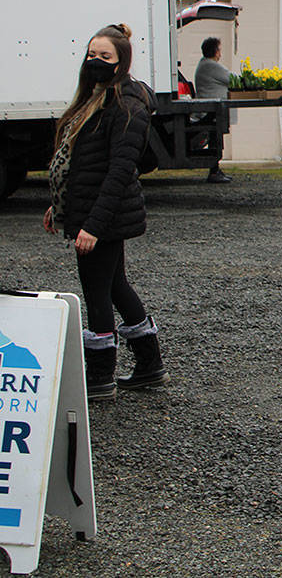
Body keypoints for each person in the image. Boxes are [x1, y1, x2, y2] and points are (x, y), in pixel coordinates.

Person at [42, 23, 169, 399]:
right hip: (90, 212)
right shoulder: (95, 99)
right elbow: (82, 164)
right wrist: (59, 203)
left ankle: (99, 378)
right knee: (115, 286)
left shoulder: (127, 107)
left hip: (104, 218)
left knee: (96, 292)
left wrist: (93, 226)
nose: (95, 62)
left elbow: (118, 172)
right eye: (92, 54)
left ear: (121, 62)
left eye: (105, 57)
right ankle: (149, 366)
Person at [194, 36, 232, 183]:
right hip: (210, 111)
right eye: (219, 50)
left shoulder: (204, 64)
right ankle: (214, 171)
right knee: (215, 139)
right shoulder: (210, 65)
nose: (220, 54)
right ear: (215, 51)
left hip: (211, 109)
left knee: (216, 139)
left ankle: (215, 169)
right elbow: (232, 78)